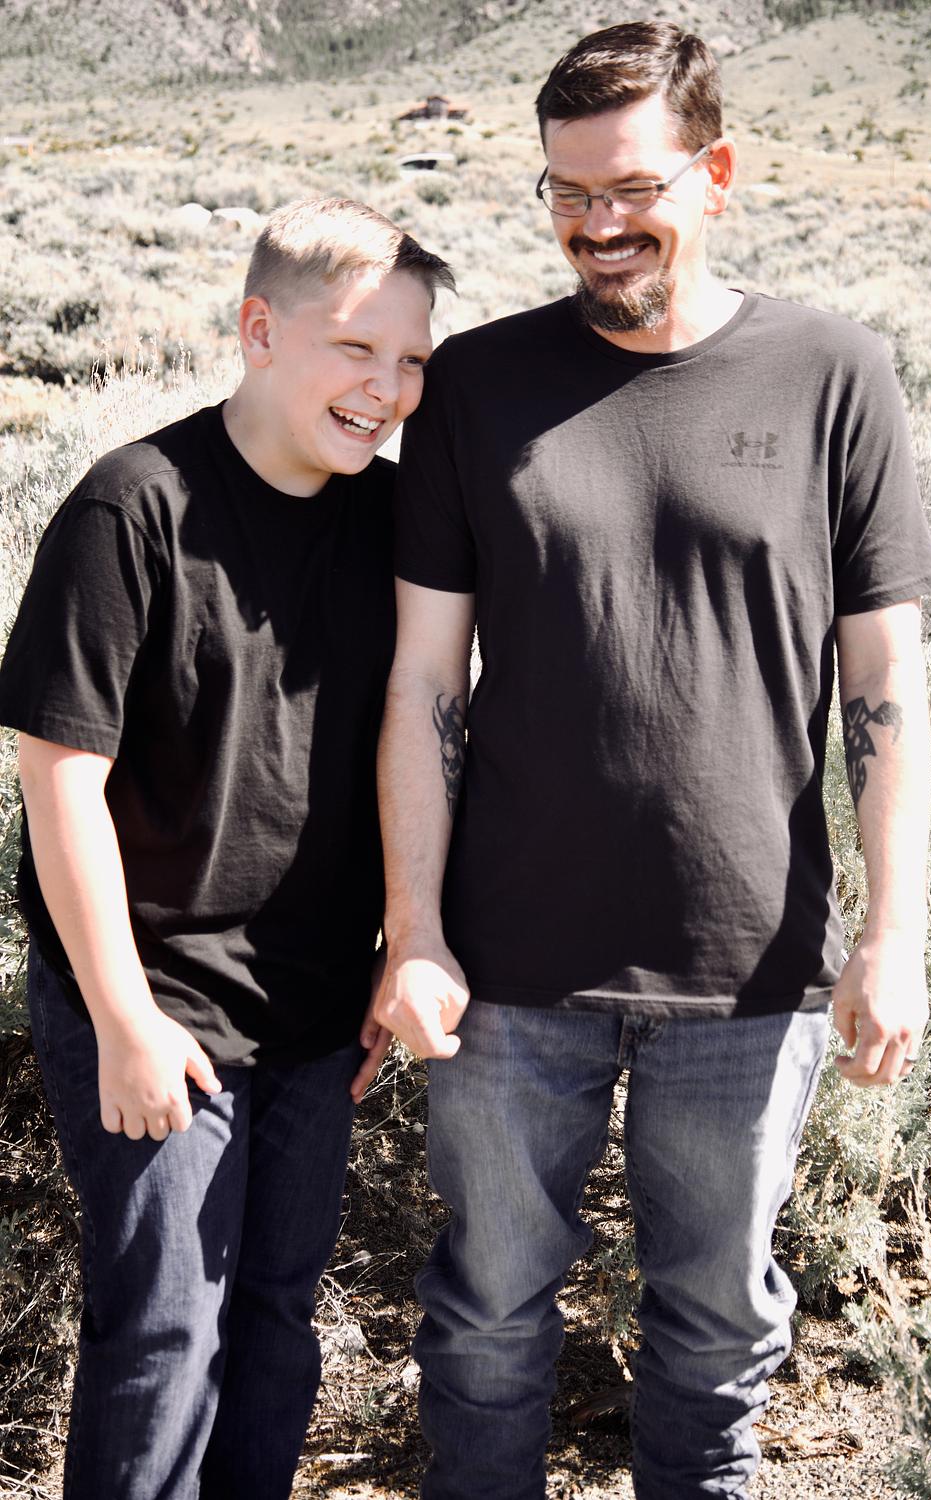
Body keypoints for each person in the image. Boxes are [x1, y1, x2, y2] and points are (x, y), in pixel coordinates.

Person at [373, 21, 931, 1500]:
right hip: (507, 964)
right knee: (486, 1319)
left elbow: (884, 681)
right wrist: (416, 930)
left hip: (747, 958)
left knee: (716, 1329)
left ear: (717, 172)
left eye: (631, 187)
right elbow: (424, 680)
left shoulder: (834, 373)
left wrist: (893, 935)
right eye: (568, 192)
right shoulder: (479, 385)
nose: (597, 224)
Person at [0, 197, 452, 1500]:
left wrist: (401, 945)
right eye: (355, 348)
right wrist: (124, 1021)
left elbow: (422, 732)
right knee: (163, 1339)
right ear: (259, 330)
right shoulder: (132, 508)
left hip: (313, 1011)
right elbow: (60, 779)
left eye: (411, 361)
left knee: (273, 1325)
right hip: (152, 1004)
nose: (385, 390)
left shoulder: (395, 523)